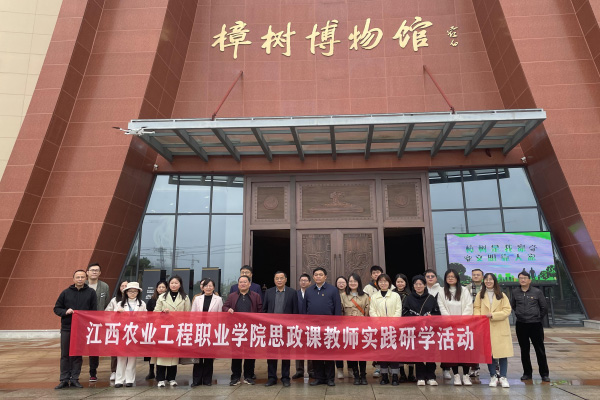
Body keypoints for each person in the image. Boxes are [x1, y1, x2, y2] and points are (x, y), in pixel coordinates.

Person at [53, 270, 97, 389]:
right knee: (65, 354)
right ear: (73, 279)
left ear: (85, 278)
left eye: (82, 277)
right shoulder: (66, 293)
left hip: (82, 328)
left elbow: (94, 311)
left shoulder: (91, 293)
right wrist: (65, 312)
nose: (80, 279)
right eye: (78, 277)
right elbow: (57, 308)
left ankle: (74, 378)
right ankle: (64, 379)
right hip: (67, 328)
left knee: (77, 354)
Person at [474, 273, 513, 388]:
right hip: (486, 327)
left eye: (491, 279)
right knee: (489, 353)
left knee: (503, 354)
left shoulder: (502, 295)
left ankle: (503, 377)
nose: (488, 281)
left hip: (500, 327)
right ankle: (493, 376)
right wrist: (480, 317)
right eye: (486, 279)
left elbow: (507, 310)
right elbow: (476, 308)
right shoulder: (480, 295)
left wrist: (493, 315)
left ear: (494, 281)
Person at [304, 267, 342, 386]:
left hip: (329, 327)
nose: (318, 276)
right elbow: (305, 308)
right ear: (313, 277)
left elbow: (337, 308)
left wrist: (336, 325)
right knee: (316, 353)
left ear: (325, 277)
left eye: (321, 274)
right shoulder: (309, 291)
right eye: (316, 275)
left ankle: (330, 378)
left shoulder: (333, 290)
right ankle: (319, 377)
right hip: (313, 328)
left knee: (329, 353)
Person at [223, 275, 263, 386]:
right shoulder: (232, 296)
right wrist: (228, 309)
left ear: (249, 284)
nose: (243, 284)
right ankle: (235, 377)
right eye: (241, 282)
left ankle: (248, 376)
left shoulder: (256, 296)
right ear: (238, 284)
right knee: (236, 354)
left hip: (251, 329)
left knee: (250, 354)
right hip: (237, 330)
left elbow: (260, 311)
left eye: (245, 282)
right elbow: (224, 307)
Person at [511, 271, 550, 382]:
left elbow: (544, 307)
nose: (522, 280)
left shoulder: (537, 292)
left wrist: (537, 317)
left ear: (529, 280)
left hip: (535, 324)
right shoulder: (515, 292)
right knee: (524, 350)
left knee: (539, 349)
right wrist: (519, 314)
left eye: (524, 278)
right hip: (521, 324)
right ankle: (527, 373)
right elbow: (513, 306)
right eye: (520, 278)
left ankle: (544, 374)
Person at [154, 275, 192, 387]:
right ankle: (160, 379)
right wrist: (162, 312)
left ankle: (171, 378)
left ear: (180, 285)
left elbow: (188, 314)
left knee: (173, 356)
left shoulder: (185, 297)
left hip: (177, 329)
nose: (174, 285)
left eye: (176, 283)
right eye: (172, 283)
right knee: (161, 355)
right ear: (168, 285)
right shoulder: (162, 297)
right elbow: (155, 313)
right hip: (163, 329)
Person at [402, 275, 440, 386]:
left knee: (430, 353)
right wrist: (414, 318)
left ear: (424, 285)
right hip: (415, 330)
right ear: (413, 286)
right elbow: (404, 313)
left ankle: (431, 376)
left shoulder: (431, 298)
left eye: (421, 284)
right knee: (418, 354)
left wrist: (431, 316)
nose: (418, 286)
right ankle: (420, 377)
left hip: (429, 331)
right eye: (416, 284)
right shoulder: (408, 298)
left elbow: (437, 313)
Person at [437, 269, 473, 386]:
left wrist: (462, 320)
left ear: (457, 278)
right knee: (453, 352)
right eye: (448, 277)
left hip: (463, 326)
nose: (451, 278)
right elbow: (441, 307)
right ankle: (456, 376)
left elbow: (469, 306)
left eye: (453, 276)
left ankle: (466, 376)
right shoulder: (442, 291)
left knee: (465, 351)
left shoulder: (464, 290)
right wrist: (450, 320)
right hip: (449, 326)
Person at [262, 271, 298, 387]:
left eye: (281, 278)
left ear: (286, 279)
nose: (279, 280)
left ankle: (285, 378)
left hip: (286, 329)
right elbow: (264, 310)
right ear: (274, 280)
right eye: (277, 278)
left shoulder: (292, 293)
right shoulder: (269, 292)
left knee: (285, 354)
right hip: (272, 328)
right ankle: (272, 377)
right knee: (271, 354)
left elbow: (295, 311)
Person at [369, 273, 402, 385]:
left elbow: (398, 311)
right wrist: (380, 323)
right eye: (381, 281)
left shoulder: (395, 296)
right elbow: (372, 311)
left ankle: (395, 376)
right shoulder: (374, 296)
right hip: (380, 329)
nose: (383, 283)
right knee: (382, 353)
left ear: (389, 283)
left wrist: (392, 323)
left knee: (394, 353)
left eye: (385, 281)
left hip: (393, 329)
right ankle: (384, 376)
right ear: (377, 283)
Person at [113, 282, 146, 388]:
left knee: (132, 357)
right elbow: (113, 318)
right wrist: (117, 312)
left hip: (135, 333)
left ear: (138, 293)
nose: (132, 293)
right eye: (130, 291)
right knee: (121, 357)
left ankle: (129, 379)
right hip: (123, 333)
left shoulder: (142, 304)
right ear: (126, 292)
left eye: (135, 291)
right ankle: (119, 380)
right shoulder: (120, 304)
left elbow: (146, 317)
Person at [190, 278, 223, 387]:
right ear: (202, 287)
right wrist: (193, 329)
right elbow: (193, 314)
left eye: (210, 286)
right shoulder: (197, 299)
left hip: (211, 330)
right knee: (198, 356)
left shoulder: (218, 299)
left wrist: (218, 331)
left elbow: (220, 316)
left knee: (209, 356)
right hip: (199, 330)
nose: (208, 288)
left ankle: (207, 380)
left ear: (214, 287)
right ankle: (196, 380)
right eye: (206, 286)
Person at [363, 265, 394, 377]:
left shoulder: (391, 287)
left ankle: (390, 365)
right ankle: (377, 366)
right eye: (374, 273)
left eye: (378, 272)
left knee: (389, 344)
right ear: (371, 275)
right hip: (375, 321)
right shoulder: (367, 288)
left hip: (390, 322)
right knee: (377, 344)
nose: (376, 274)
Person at [341, 273, 370, 385]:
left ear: (359, 283)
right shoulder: (343, 296)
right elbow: (341, 312)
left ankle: (363, 375)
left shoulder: (365, 296)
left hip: (362, 328)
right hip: (348, 329)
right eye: (351, 281)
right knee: (352, 352)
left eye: (355, 281)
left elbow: (367, 313)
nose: (353, 283)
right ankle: (356, 375)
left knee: (363, 352)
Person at [85, 263, 110, 383]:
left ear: (100, 273)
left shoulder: (104, 286)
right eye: (92, 270)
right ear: (87, 272)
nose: (94, 272)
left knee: (94, 347)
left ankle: (93, 372)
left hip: (97, 322)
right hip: (83, 321)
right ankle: (73, 372)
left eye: (97, 270)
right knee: (78, 346)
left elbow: (107, 304)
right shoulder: (82, 285)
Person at [104, 280, 128, 381]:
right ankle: (114, 371)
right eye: (122, 286)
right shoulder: (114, 300)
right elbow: (107, 312)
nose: (124, 287)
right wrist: (116, 312)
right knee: (115, 351)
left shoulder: (134, 300)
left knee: (127, 351)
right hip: (116, 329)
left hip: (128, 330)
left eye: (126, 286)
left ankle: (126, 372)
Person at [393, 273, 415, 383]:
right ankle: (402, 374)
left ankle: (411, 374)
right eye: (398, 282)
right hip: (396, 325)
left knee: (410, 349)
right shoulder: (392, 294)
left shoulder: (411, 294)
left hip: (408, 325)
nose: (400, 284)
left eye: (402, 281)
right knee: (399, 350)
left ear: (405, 283)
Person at [144, 280, 167, 380]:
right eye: (159, 287)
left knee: (161, 352)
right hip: (153, 328)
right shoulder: (151, 301)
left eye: (163, 287)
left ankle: (160, 372)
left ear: (166, 289)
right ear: (156, 289)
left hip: (165, 329)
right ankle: (151, 371)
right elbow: (148, 315)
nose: (161, 289)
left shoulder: (167, 300)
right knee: (151, 352)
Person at [293, 273, 314, 380]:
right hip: (298, 325)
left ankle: (311, 370)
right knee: (299, 347)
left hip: (311, 325)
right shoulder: (295, 294)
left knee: (311, 347)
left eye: (305, 280)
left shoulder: (313, 294)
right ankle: (299, 370)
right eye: (301, 280)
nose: (303, 282)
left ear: (310, 282)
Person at [466, 268, 484, 378]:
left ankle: (495, 368)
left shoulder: (487, 287)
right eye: (474, 275)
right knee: (473, 344)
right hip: (471, 320)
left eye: (478, 275)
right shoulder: (466, 288)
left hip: (485, 319)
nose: (476, 276)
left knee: (488, 344)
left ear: (482, 276)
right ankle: (474, 367)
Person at [334, 276, 352, 379]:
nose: (341, 284)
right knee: (338, 348)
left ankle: (350, 369)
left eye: (343, 282)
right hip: (337, 325)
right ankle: (339, 369)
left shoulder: (351, 294)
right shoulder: (333, 294)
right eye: (339, 282)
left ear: (346, 284)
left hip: (349, 325)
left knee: (349, 347)